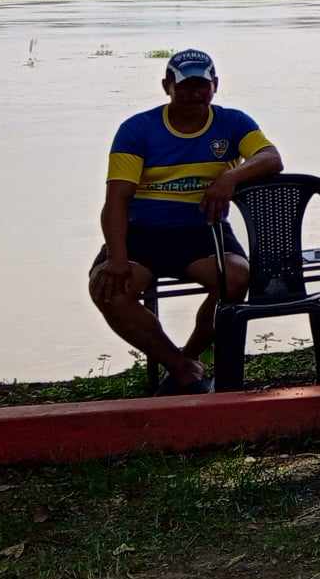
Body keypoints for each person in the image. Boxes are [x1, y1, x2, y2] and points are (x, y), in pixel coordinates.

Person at [89, 50, 283, 394]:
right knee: (108, 291)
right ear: (167, 86)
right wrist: (117, 258)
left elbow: (271, 158)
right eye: (184, 86)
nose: (194, 94)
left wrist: (230, 177)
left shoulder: (233, 123)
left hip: (204, 233)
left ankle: (189, 358)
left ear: (215, 85)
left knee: (236, 279)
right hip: (142, 234)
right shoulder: (137, 129)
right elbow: (115, 201)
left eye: (201, 86)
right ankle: (179, 367)